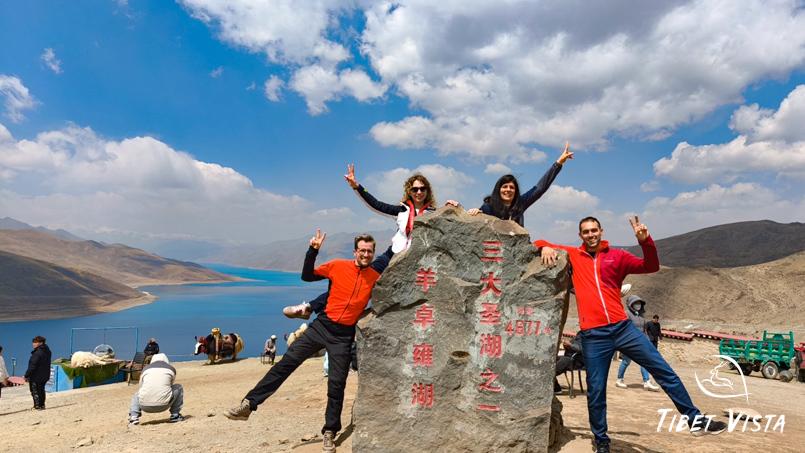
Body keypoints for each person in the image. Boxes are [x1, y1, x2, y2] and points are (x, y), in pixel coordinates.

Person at [536, 216, 727, 452]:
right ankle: (602, 442)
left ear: (601, 231)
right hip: (594, 335)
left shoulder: (618, 256)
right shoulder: (574, 255)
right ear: (580, 235)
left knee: (663, 370)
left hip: (622, 328)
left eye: (594, 230)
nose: (591, 234)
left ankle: (696, 421)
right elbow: (538, 241)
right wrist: (544, 247)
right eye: (586, 231)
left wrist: (645, 241)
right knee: (596, 390)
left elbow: (651, 266)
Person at [225, 230, 393, 453]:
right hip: (321, 327)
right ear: (355, 251)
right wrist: (313, 250)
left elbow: (394, 251)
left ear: (373, 253)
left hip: (343, 336)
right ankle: (249, 404)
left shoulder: (374, 276)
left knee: (336, 385)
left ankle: (330, 431)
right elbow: (307, 275)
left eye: (369, 251)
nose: (365, 254)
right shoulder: (338, 266)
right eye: (362, 250)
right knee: (286, 363)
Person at [283, 165, 455, 319]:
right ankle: (309, 307)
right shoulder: (402, 210)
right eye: (415, 189)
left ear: (427, 191)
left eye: (422, 188)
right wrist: (357, 187)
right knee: (354, 282)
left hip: (415, 261)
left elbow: (457, 225)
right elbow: (375, 204)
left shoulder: (435, 213)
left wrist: (455, 207)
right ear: (409, 191)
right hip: (392, 256)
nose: (419, 192)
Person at [467, 143, 573, 225]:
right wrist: (475, 213)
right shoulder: (488, 207)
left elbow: (540, 188)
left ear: (516, 191)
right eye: (504, 187)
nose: (508, 190)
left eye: (512, 187)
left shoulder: (520, 204)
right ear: (498, 189)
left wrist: (558, 163)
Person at [615, 295, 660, 391]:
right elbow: (624, 328)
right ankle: (619, 379)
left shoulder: (641, 316)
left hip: (641, 342)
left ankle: (646, 381)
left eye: (639, 303)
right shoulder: (626, 314)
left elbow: (644, 330)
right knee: (626, 361)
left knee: (644, 362)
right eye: (636, 303)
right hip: (630, 342)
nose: (638, 305)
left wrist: (647, 341)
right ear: (631, 304)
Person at [128, 353, 184, 426]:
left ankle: (134, 417)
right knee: (178, 387)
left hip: (144, 406)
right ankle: (175, 415)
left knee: (137, 394)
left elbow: (141, 386)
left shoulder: (145, 369)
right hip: (164, 405)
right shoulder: (171, 369)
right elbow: (170, 385)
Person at [24, 336, 52, 410]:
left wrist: (26, 375)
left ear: (41, 343)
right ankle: (42, 405)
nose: (33, 344)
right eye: (33, 342)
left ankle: (37, 406)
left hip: (36, 376)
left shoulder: (37, 353)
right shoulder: (48, 351)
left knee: (35, 391)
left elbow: (33, 365)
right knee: (41, 390)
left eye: (35, 342)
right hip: (45, 375)